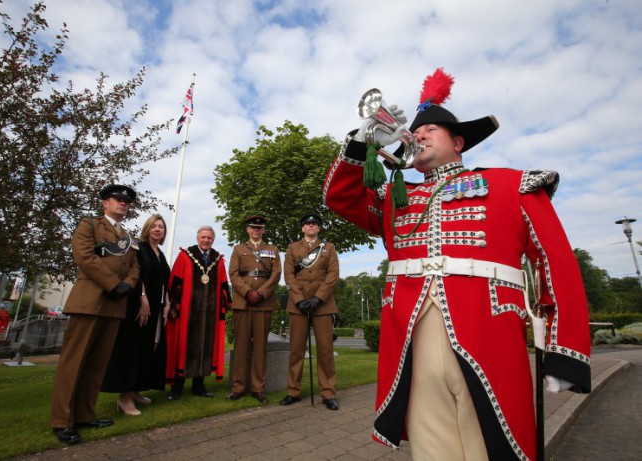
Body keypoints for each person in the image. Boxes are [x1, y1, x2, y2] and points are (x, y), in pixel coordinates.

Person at [323, 69, 591, 460]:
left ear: (458, 141)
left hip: (490, 334)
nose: (419, 135)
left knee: (492, 446)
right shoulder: (397, 196)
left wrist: (563, 351)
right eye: (416, 130)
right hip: (413, 342)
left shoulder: (512, 184)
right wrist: (362, 144)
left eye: (431, 128)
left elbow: (556, 264)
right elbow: (340, 198)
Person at [49, 184, 140, 445]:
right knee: (74, 362)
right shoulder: (89, 225)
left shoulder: (129, 236)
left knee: (97, 365)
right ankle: (61, 420)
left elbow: (135, 266)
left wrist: (128, 285)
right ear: (105, 203)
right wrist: (113, 284)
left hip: (115, 306)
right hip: (89, 300)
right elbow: (85, 257)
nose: (122, 204)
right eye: (117, 199)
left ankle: (84, 415)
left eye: (126, 201)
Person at [101, 214, 171, 415]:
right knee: (132, 349)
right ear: (147, 229)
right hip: (139, 307)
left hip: (156, 308)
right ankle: (124, 398)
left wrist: (167, 303)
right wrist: (143, 299)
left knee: (147, 349)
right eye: (154, 226)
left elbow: (164, 281)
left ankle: (135, 390)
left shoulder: (161, 254)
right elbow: (135, 274)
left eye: (161, 227)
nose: (158, 230)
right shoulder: (139, 248)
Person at [279, 213, 340, 410]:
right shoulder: (292, 248)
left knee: (325, 351)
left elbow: (333, 275)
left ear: (319, 228)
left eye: (314, 224)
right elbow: (288, 274)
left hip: (322, 305)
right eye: (307, 224)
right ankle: (293, 392)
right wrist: (298, 299)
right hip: (298, 306)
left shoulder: (328, 248)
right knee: (296, 350)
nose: (311, 226)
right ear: (302, 228)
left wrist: (317, 298)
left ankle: (328, 393)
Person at [165, 226, 231, 399]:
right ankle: (177, 388)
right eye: (203, 237)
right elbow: (175, 282)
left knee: (205, 346)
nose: (206, 240)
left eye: (209, 238)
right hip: (187, 312)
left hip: (209, 313)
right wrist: (172, 306)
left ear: (213, 240)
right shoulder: (185, 256)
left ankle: (198, 386)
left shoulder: (218, 260)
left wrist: (224, 306)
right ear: (197, 238)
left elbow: (224, 285)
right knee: (183, 347)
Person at [227, 215, 281, 403]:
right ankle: (238, 387)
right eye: (253, 227)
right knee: (241, 345)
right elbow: (233, 274)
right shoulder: (238, 249)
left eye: (259, 228)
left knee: (260, 346)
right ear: (247, 229)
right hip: (243, 302)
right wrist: (248, 292)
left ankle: (258, 388)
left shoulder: (272, 249)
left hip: (264, 302)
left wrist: (262, 293)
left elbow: (276, 275)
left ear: (264, 230)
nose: (256, 230)